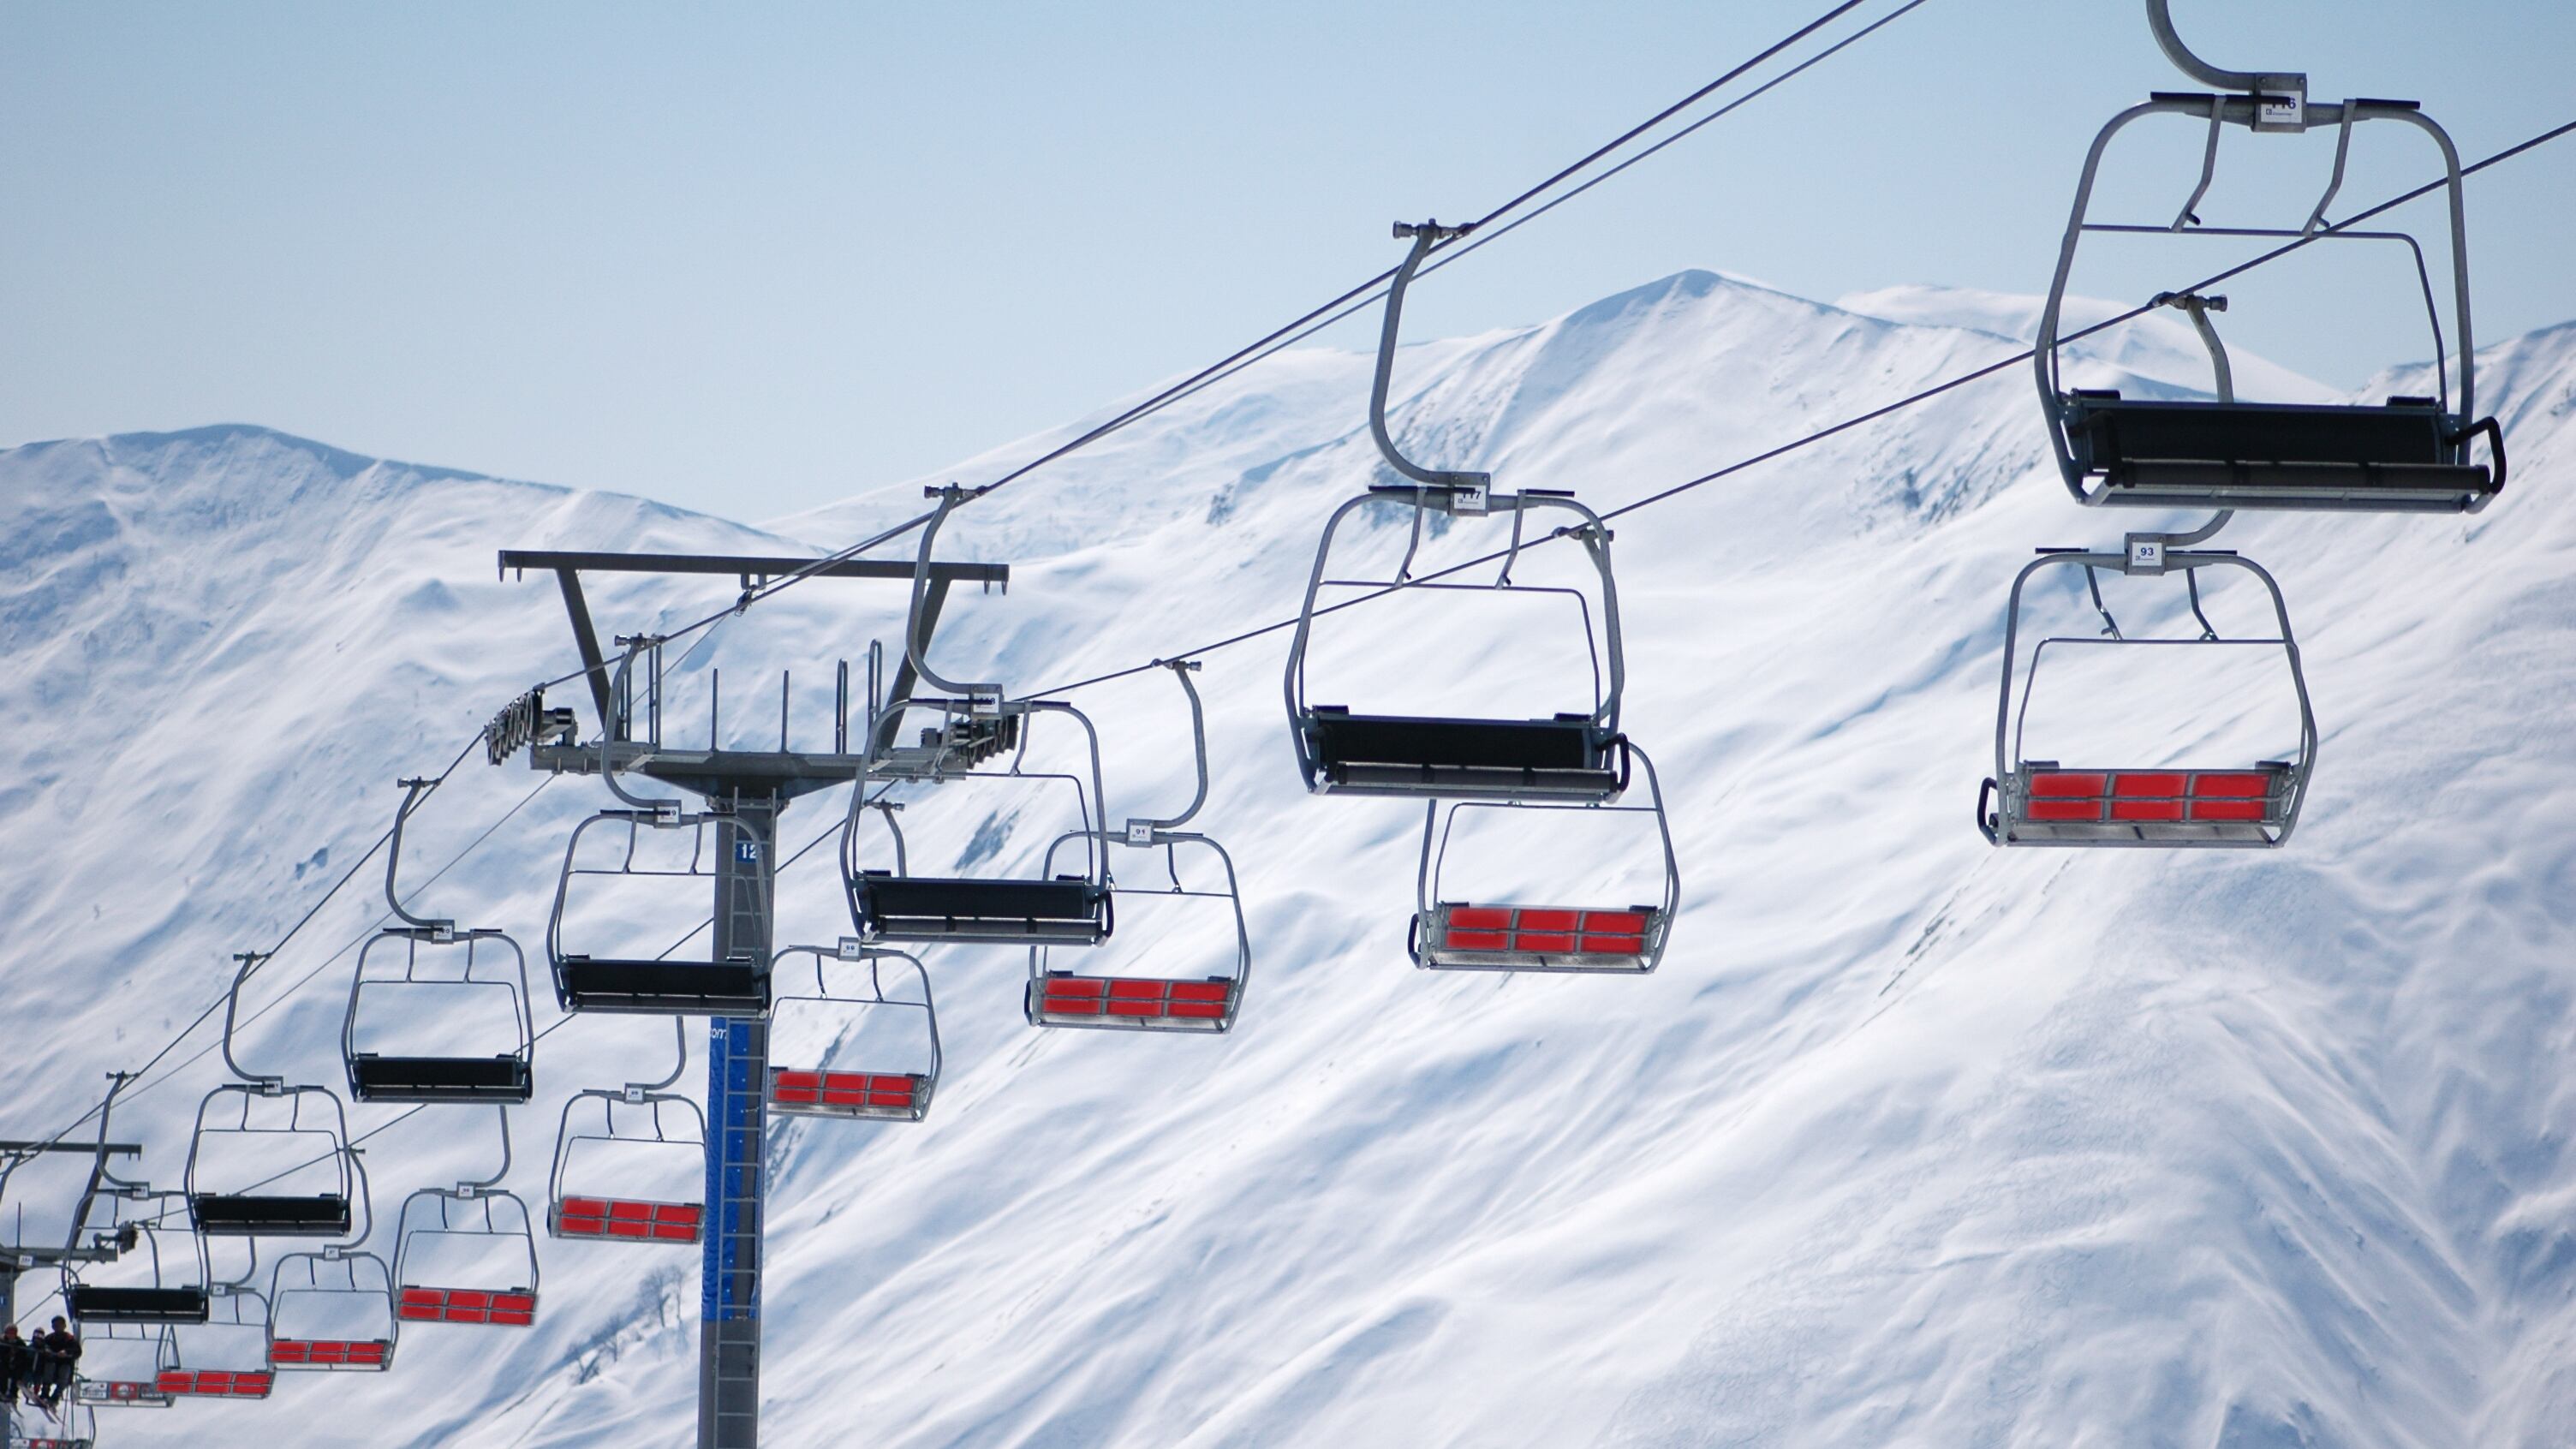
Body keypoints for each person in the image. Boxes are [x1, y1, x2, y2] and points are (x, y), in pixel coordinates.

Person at [33, 1316, 76, 1410]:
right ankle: (45, 1392)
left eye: (59, 1325)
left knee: (64, 1371)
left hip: (64, 1368)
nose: (57, 1327)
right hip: (51, 1368)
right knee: (49, 1366)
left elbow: (77, 1351)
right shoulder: (49, 1338)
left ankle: (56, 1396)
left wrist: (66, 1352)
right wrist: (46, 1351)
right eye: (55, 1325)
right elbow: (42, 1347)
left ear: (64, 1326)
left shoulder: (69, 1339)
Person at [0, 1322, 27, 1407]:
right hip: (4, 1365)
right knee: (2, 1372)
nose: (11, 1335)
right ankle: (2, 1392)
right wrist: (8, 1354)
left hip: (15, 1366)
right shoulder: (2, 1341)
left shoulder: (19, 1343)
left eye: (13, 1333)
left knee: (18, 1373)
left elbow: (24, 1355)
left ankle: (13, 1394)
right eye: (9, 1333)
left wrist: (16, 1357)